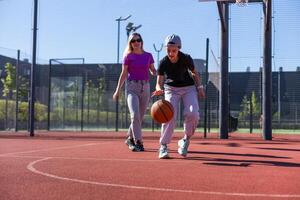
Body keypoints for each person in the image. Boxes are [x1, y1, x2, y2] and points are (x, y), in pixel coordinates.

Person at [152, 34, 205, 159]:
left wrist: (200, 88)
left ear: (179, 48)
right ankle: (164, 146)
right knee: (169, 116)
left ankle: (185, 140)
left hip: (188, 88)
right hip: (171, 89)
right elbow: (158, 82)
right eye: (168, 50)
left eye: (174, 50)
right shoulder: (163, 62)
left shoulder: (186, 58)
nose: (171, 53)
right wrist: (159, 89)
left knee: (193, 114)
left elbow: (195, 73)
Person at [113, 32, 156, 152]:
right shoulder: (128, 56)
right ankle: (139, 142)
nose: (136, 42)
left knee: (139, 117)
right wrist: (117, 90)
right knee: (135, 115)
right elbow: (123, 74)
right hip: (132, 87)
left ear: (142, 42)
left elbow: (153, 69)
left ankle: (129, 138)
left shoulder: (148, 55)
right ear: (130, 43)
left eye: (138, 40)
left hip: (145, 87)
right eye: (133, 41)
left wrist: (155, 72)